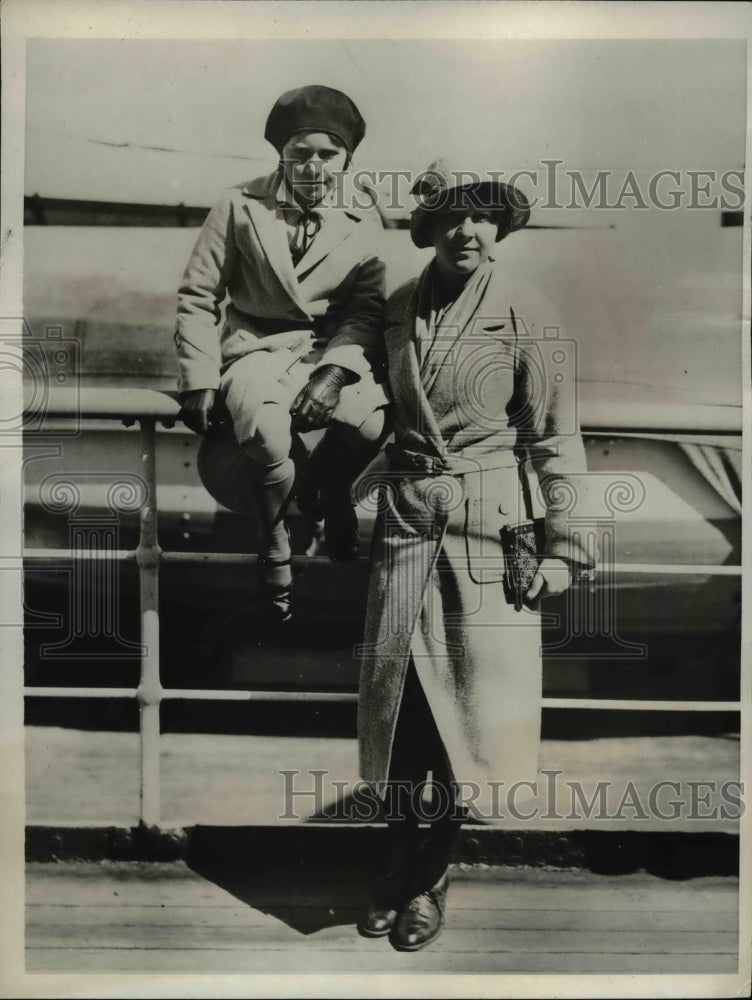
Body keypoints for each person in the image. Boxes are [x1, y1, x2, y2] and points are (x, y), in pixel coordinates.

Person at [355, 160, 596, 951]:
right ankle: (396, 863)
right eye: (453, 217)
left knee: (471, 716)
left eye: (485, 217)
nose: (469, 231)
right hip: (405, 521)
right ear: (426, 228)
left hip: (490, 525)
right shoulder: (396, 309)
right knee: (405, 718)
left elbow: (557, 440)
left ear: (500, 227)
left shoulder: (532, 311)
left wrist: (563, 545)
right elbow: (381, 410)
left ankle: (428, 880)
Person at [175, 85, 389, 623]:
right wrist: (199, 378)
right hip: (256, 349)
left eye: (327, 154)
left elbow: (367, 311)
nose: (313, 165)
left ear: (347, 159)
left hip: (330, 350)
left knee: (366, 426)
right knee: (265, 434)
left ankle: (334, 494)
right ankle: (273, 548)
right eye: (300, 153)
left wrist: (335, 373)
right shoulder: (238, 204)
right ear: (281, 154)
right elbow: (199, 295)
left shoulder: (365, 219)